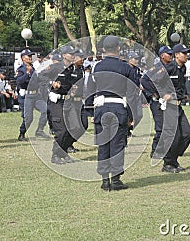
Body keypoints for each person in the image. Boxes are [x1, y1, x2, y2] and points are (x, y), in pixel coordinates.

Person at [89, 36, 135, 190]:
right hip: (119, 108)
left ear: (103, 50)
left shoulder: (96, 67)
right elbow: (133, 93)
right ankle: (115, 180)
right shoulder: (126, 68)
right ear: (118, 49)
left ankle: (104, 180)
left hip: (101, 109)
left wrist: (91, 113)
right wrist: (132, 116)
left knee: (103, 144)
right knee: (117, 145)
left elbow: (89, 90)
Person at [145, 44, 190, 173]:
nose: (186, 55)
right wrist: (159, 94)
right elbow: (147, 81)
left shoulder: (183, 68)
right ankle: (168, 163)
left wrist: (184, 95)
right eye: (184, 53)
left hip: (178, 106)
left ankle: (173, 159)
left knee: (187, 134)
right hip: (168, 107)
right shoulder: (167, 68)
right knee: (174, 137)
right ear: (177, 55)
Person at [141, 45, 174, 158]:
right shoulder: (156, 68)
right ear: (162, 56)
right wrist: (155, 93)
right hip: (158, 102)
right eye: (168, 54)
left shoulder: (172, 67)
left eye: (171, 53)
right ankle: (155, 150)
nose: (171, 56)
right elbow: (144, 81)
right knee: (160, 128)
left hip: (170, 102)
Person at [48, 45, 78, 164]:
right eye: (71, 54)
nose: (73, 56)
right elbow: (39, 77)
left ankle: (63, 151)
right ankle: (56, 154)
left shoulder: (72, 69)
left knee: (76, 127)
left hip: (68, 101)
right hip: (57, 101)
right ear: (64, 55)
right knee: (62, 130)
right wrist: (52, 83)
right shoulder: (55, 67)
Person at [16, 49, 49, 141]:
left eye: (31, 56)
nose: (30, 58)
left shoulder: (33, 68)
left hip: (36, 95)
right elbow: (19, 81)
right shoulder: (21, 69)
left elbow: (39, 80)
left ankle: (40, 130)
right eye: (28, 56)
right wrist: (27, 73)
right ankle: (22, 133)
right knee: (28, 117)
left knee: (46, 110)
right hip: (26, 96)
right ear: (23, 58)